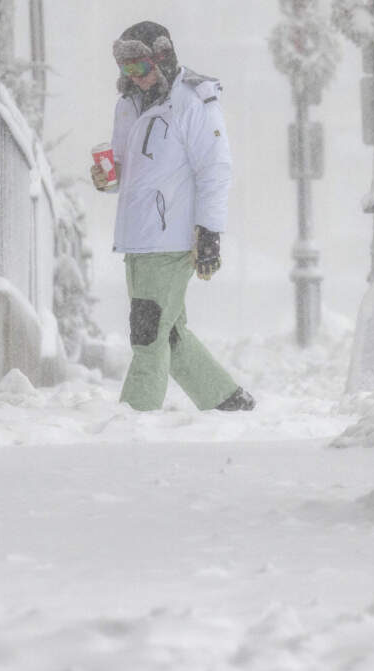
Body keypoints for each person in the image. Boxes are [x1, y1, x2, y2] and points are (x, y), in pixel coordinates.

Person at [90, 21, 254, 412]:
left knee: (147, 334)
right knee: (169, 330)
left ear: (162, 59)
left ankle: (134, 414)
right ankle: (225, 399)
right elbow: (128, 173)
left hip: (171, 240)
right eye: (127, 69)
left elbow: (215, 171)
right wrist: (105, 178)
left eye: (142, 68)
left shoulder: (192, 102)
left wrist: (210, 233)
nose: (136, 78)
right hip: (137, 238)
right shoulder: (128, 106)